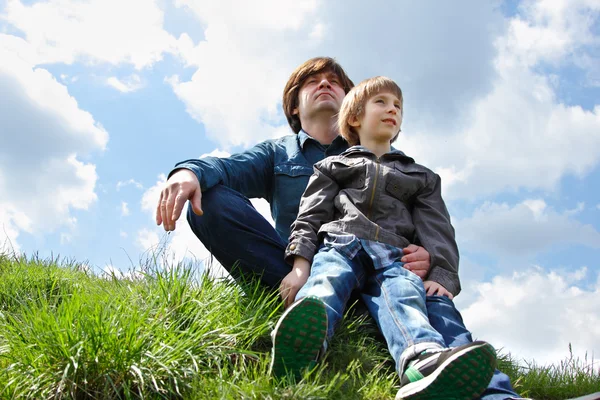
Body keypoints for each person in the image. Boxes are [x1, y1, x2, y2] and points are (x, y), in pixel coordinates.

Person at [156, 57, 522, 400]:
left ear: (352, 105)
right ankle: (305, 324)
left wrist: (426, 255)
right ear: (295, 106)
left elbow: (424, 221)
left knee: (431, 301)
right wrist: (189, 172)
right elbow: (228, 168)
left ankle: (485, 390)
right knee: (211, 202)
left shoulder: (386, 158)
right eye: (312, 82)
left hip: (385, 276)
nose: (325, 84)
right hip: (307, 267)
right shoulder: (278, 153)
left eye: (335, 81)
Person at [271, 76, 496, 399]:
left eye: (398, 106)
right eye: (381, 102)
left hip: (394, 254)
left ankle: (421, 364)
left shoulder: (420, 177)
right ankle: (301, 344)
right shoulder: (332, 166)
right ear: (354, 117)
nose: (392, 109)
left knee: (403, 296)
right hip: (341, 243)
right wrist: (299, 267)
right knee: (326, 281)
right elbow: (310, 216)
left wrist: (441, 274)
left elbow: (437, 229)